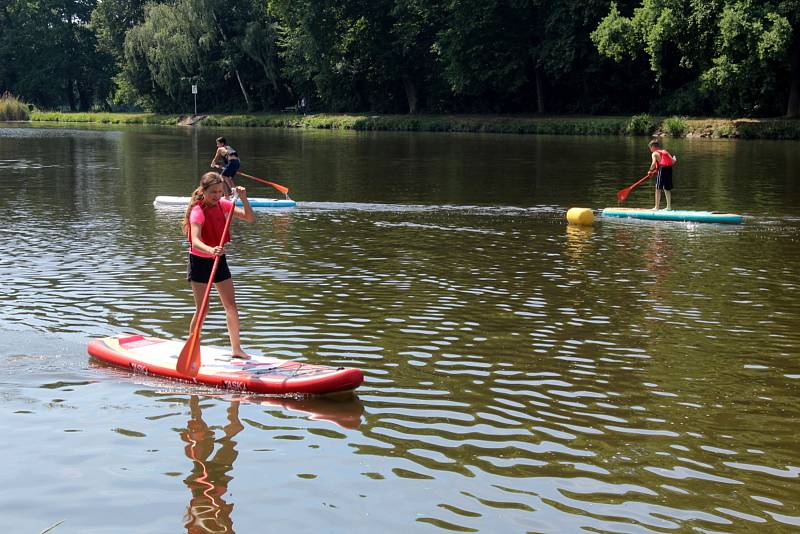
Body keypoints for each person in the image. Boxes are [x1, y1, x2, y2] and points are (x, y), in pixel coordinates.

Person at [182, 172, 255, 359]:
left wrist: (244, 199)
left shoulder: (223, 205)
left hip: (218, 259)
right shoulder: (197, 211)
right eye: (213, 192)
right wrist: (210, 250)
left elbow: (249, 218)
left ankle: (236, 349)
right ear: (204, 191)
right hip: (199, 261)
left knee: (231, 305)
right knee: (203, 309)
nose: (217, 196)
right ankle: (192, 350)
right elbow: (195, 241)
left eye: (220, 192)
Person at [648, 139, 677, 210]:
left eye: (650, 148)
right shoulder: (665, 151)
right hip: (669, 169)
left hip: (662, 169)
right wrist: (655, 171)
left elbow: (653, 164)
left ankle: (656, 207)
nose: (650, 149)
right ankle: (669, 207)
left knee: (658, 188)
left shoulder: (654, 153)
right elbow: (673, 162)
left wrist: (650, 171)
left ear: (653, 147)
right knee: (666, 188)